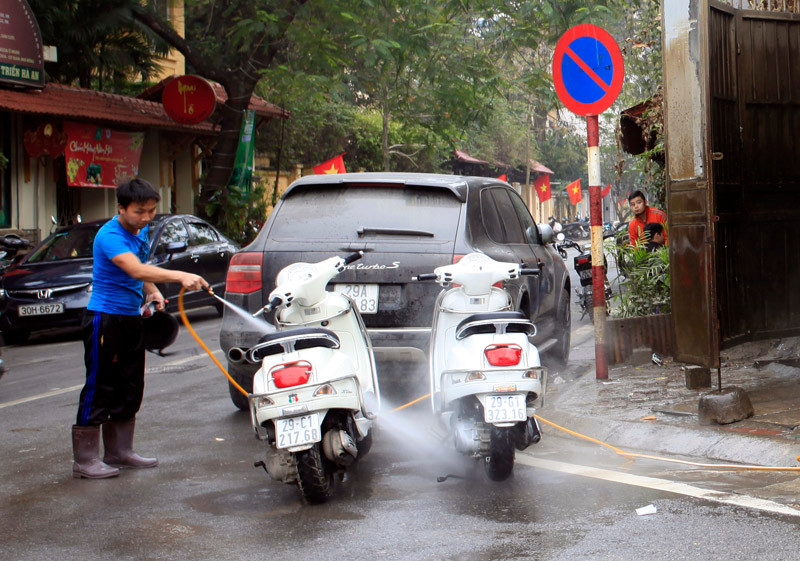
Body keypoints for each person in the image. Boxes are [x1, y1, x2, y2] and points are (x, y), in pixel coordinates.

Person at [72, 178, 209, 479]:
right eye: (139, 212)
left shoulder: (140, 230)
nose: (146, 218)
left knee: (130, 385)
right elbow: (132, 268)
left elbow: (139, 268)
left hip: (131, 317)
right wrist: (177, 275)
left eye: (151, 211)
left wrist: (153, 291)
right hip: (104, 318)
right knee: (100, 386)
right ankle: (84, 460)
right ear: (120, 208)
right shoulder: (109, 236)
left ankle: (120, 451)